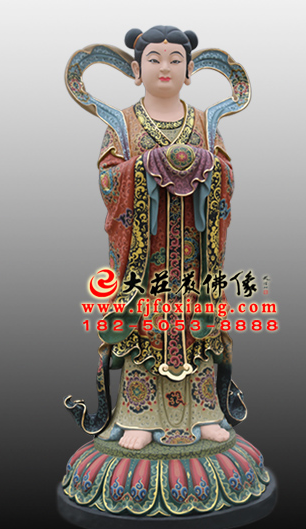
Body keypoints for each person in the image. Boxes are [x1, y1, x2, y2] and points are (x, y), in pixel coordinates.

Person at [70, 25, 246, 450]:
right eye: (154, 59)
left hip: (195, 253)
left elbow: (227, 177)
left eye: (174, 60)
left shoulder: (205, 123)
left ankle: (206, 412)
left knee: (198, 326)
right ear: (136, 70)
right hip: (146, 257)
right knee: (144, 326)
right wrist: (147, 166)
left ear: (189, 71)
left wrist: (203, 165)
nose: (164, 67)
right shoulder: (123, 124)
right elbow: (109, 180)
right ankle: (139, 415)